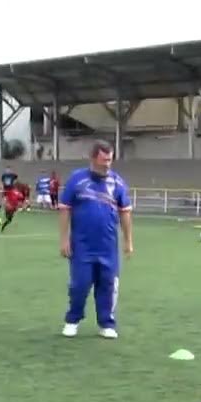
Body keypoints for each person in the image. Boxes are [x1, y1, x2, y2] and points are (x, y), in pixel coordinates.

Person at [59, 141, 134, 339]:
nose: (107, 164)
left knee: (108, 285)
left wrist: (128, 241)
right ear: (93, 158)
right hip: (82, 246)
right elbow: (65, 209)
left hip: (108, 247)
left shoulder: (117, 182)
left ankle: (106, 323)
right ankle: (72, 320)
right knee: (79, 285)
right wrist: (64, 239)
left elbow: (125, 213)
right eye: (103, 160)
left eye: (110, 160)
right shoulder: (77, 179)